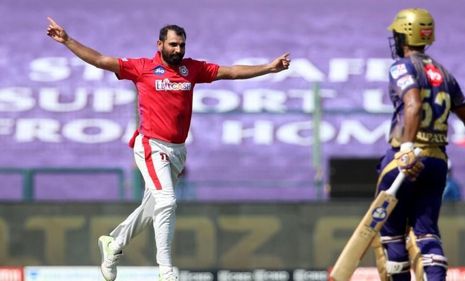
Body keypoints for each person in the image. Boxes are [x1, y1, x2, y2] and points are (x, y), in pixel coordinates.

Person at [46, 17, 290, 281]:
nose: (178, 50)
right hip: (151, 144)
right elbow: (101, 60)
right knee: (167, 201)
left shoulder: (192, 69)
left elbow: (231, 71)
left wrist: (268, 68)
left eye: (182, 46)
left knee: (152, 208)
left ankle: (113, 244)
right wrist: (68, 40)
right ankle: (165, 270)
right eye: (173, 45)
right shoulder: (142, 68)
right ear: (159, 44)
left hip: (177, 151)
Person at [371, 8, 465, 281]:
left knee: (391, 233)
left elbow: (413, 104)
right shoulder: (444, 73)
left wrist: (406, 147)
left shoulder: (401, 67)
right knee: (427, 231)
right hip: (437, 162)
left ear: (404, 35)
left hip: (403, 159)